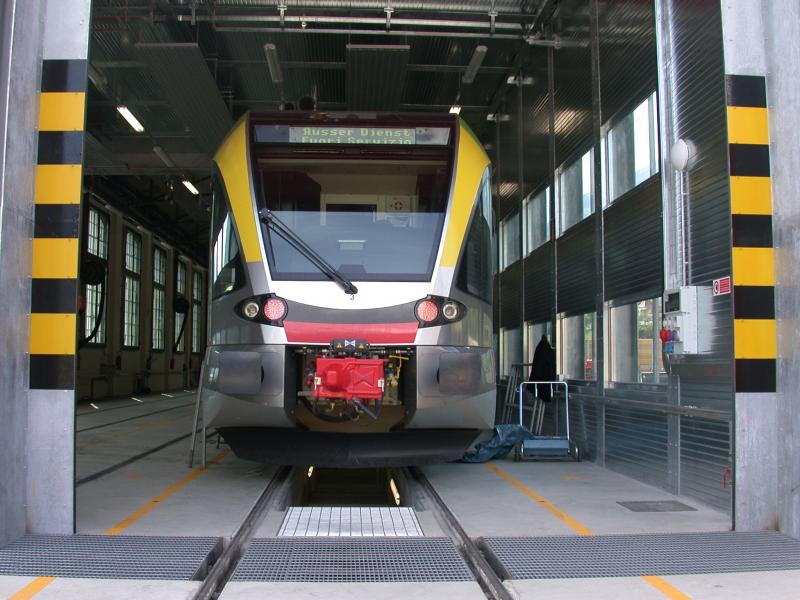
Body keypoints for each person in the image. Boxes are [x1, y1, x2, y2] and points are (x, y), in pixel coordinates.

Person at [528, 334, 556, 402]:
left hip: (540, 381)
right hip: (545, 382)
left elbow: (537, 368)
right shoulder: (548, 351)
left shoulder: (540, 349)